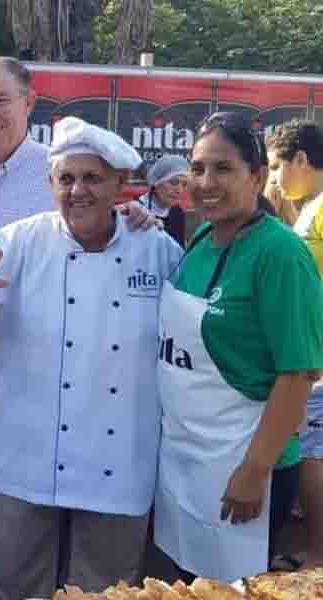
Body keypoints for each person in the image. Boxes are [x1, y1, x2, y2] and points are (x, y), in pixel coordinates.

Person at [0, 116, 183, 599]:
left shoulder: (156, 250)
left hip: (118, 459)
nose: (77, 190)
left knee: (107, 591)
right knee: (20, 587)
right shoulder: (23, 240)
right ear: (50, 185)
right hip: (26, 453)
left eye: (92, 178)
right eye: (65, 179)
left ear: (119, 186)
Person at [154, 112, 323, 583]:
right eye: (198, 168)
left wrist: (255, 470)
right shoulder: (204, 236)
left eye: (223, 168)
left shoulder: (280, 254)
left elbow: (297, 374)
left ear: (256, 174)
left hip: (245, 466)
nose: (206, 182)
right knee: (184, 585)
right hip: (188, 459)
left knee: (233, 589)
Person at [266, 119, 323, 570]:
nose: (273, 180)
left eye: (275, 167)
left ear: (301, 160)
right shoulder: (310, 208)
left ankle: (317, 555)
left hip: (315, 355)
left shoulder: (319, 211)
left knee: (311, 450)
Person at [138, 154, 188, 245]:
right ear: (156, 183)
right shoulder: (136, 210)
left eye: (184, 185)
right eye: (174, 182)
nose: (179, 190)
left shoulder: (177, 212)